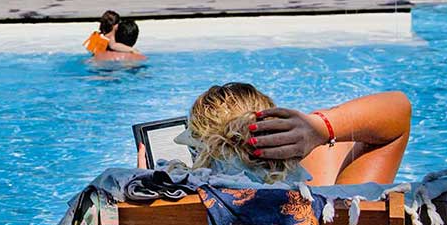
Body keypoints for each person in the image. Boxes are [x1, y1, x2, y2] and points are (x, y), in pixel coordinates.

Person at [138, 83, 410, 186]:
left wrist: (148, 186)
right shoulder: (332, 211)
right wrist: (320, 127)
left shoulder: (176, 209)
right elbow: (398, 112)